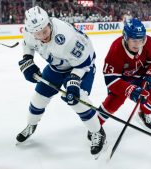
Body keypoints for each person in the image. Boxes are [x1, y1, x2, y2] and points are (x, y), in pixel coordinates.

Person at [16, 6, 106, 158]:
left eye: (44, 31)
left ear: (49, 23)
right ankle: (31, 124)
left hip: (81, 66)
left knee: (78, 101)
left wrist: (75, 78)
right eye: (37, 34)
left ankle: (98, 132)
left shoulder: (66, 37)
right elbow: (27, 44)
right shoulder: (29, 32)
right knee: (39, 97)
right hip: (57, 66)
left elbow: (85, 61)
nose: (42, 36)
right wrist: (27, 59)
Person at [88, 18, 151, 138]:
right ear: (125, 37)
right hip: (121, 80)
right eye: (134, 40)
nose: (138, 44)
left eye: (141, 40)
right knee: (114, 101)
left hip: (141, 75)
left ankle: (144, 113)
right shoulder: (116, 49)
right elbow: (111, 79)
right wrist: (129, 89)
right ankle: (95, 126)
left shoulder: (149, 43)